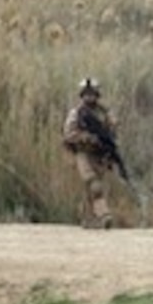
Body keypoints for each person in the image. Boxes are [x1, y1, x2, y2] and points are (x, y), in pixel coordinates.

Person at [62, 78, 118, 229]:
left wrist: (108, 146)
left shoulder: (104, 112)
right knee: (94, 184)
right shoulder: (77, 113)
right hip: (83, 153)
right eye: (86, 94)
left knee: (92, 189)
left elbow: (112, 131)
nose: (89, 97)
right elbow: (69, 134)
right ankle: (104, 215)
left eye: (92, 94)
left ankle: (88, 219)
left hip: (100, 155)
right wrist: (87, 138)